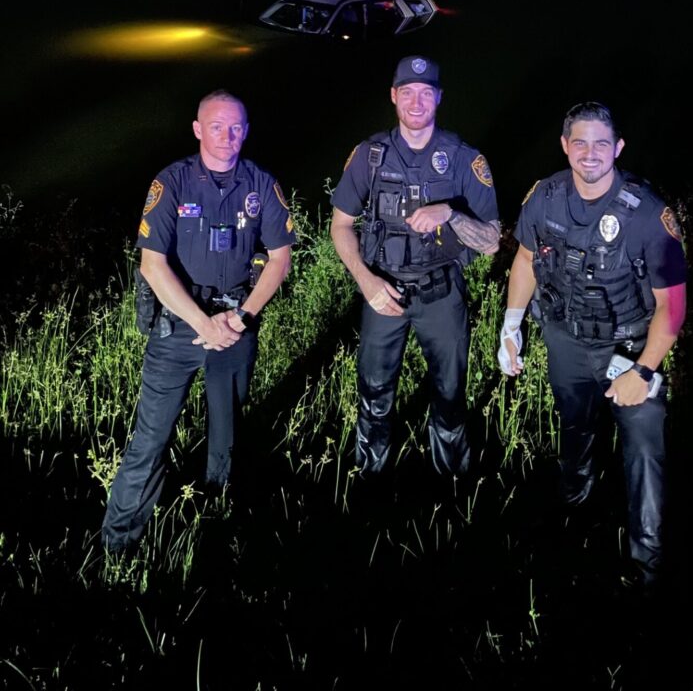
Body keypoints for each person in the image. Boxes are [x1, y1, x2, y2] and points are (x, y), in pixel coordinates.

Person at [498, 101, 686, 582]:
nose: (590, 153)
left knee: (644, 450)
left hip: (631, 347)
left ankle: (648, 565)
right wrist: (511, 326)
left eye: (602, 143)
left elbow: (673, 306)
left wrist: (642, 371)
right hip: (566, 340)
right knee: (575, 427)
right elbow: (524, 260)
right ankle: (573, 509)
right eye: (579, 142)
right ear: (564, 146)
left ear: (618, 148)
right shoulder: (543, 196)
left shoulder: (648, 213)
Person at [102, 90, 295, 551]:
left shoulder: (261, 185)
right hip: (178, 328)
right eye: (216, 126)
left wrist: (240, 317)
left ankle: (215, 527)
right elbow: (152, 265)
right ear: (197, 129)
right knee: (150, 439)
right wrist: (202, 324)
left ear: (246, 131)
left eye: (235, 127)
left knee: (227, 435)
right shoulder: (172, 183)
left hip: (235, 325)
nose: (227, 137)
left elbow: (281, 258)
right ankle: (119, 544)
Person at [331, 56, 500, 477]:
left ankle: (452, 485)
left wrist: (452, 215)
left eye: (426, 93)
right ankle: (370, 479)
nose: (416, 102)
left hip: (441, 292)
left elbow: (493, 240)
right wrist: (366, 282)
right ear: (393, 96)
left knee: (448, 391)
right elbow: (341, 226)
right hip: (382, 291)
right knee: (374, 391)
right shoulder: (369, 155)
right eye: (407, 92)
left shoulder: (463, 158)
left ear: (439, 98)